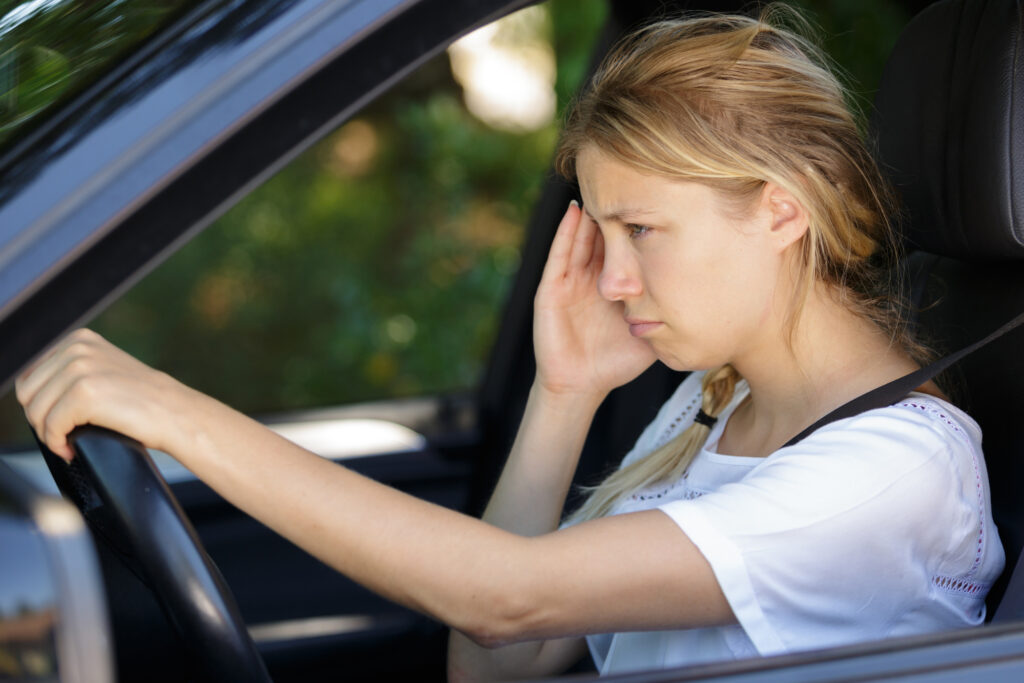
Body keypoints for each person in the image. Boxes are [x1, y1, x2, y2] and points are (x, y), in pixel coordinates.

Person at [14, 6, 1004, 681]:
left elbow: (505, 599)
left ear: (780, 212)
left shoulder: (888, 473)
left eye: (643, 230)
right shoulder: (720, 394)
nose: (615, 279)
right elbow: (494, 664)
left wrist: (176, 410)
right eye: (602, 233)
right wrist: (564, 391)